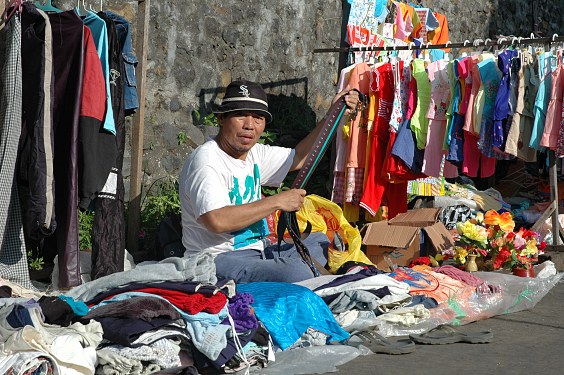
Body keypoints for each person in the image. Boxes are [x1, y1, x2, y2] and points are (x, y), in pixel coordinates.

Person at [180, 80, 360, 283]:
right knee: (297, 272)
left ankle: (299, 269)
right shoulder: (206, 161)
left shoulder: (254, 153)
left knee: (319, 240)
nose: (249, 125)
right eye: (240, 116)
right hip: (218, 260)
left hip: (260, 250)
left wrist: (332, 116)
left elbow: (299, 157)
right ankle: (302, 271)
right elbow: (216, 220)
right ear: (222, 118)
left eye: (258, 118)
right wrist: (276, 201)